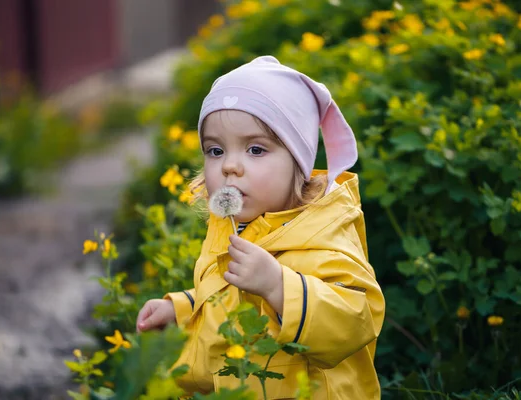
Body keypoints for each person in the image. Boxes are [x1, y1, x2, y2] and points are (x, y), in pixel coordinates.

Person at [136, 55, 385, 399]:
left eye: (255, 149)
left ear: (298, 161)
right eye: (215, 150)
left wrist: (279, 287)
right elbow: (228, 295)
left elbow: (358, 318)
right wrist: (182, 309)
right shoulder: (233, 225)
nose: (230, 167)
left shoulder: (323, 232)